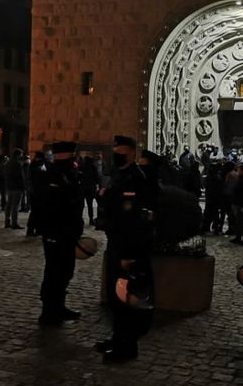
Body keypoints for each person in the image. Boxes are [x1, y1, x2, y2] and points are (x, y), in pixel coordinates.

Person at [96, 135, 158, 363]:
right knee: (115, 297)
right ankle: (118, 337)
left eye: (120, 149)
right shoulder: (119, 175)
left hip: (128, 248)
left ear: (131, 152)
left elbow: (135, 220)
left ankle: (127, 347)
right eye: (115, 149)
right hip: (116, 243)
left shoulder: (135, 179)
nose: (116, 152)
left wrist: (129, 255)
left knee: (126, 299)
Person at [35, 141, 85, 326]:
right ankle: (49, 311)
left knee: (65, 270)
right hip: (56, 231)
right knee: (54, 271)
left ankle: (59, 307)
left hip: (68, 230)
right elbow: (49, 205)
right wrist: (50, 231)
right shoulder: (52, 173)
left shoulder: (69, 173)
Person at [4, 149, 26, 229]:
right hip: (17, 187)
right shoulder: (17, 164)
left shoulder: (8, 163)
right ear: (18, 155)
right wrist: (23, 187)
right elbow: (20, 177)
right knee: (15, 206)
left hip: (9, 187)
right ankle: (14, 223)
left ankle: (7, 222)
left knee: (9, 205)